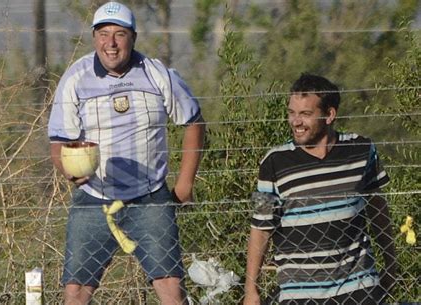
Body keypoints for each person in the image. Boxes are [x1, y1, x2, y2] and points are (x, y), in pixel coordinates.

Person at [48, 2, 205, 304]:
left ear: (133, 37)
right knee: (75, 292)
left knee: (171, 288)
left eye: (119, 34)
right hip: (94, 198)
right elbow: (58, 141)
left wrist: (185, 185)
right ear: (94, 37)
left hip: (149, 198)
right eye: (103, 34)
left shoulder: (157, 73)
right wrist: (68, 169)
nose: (111, 43)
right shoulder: (75, 78)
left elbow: (194, 123)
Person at [243, 73, 397, 305]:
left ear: (329, 115)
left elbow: (378, 210)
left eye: (305, 114)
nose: (296, 122)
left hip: (357, 286)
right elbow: (261, 227)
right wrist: (251, 289)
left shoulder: (362, 150)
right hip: (299, 292)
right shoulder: (273, 162)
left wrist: (391, 263)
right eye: (292, 113)